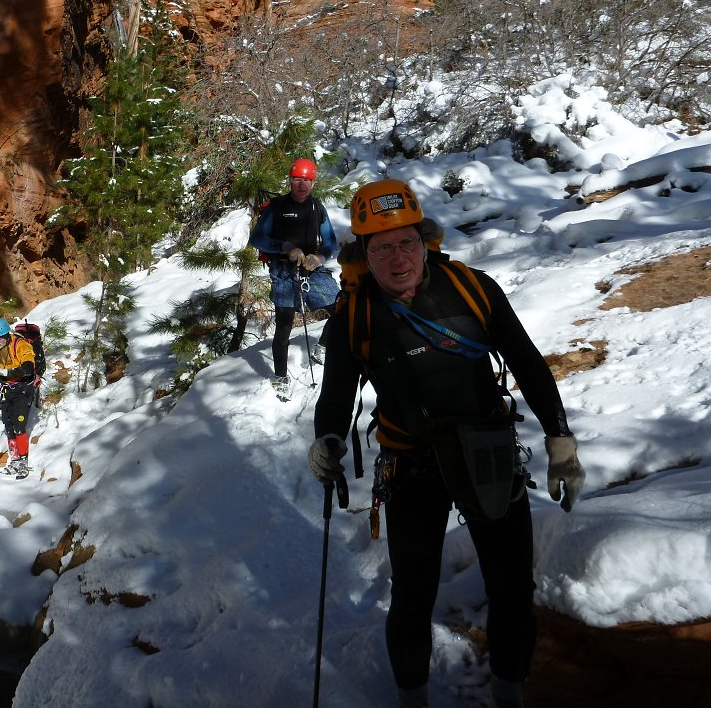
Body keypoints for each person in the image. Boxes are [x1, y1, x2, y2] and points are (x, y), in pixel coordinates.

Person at [306, 180, 585, 708]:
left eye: (406, 242)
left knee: (511, 589)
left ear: (425, 240)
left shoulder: (472, 288)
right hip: (411, 463)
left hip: (489, 452)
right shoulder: (355, 313)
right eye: (381, 247)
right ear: (362, 254)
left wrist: (559, 438)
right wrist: (327, 438)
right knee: (412, 595)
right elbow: (337, 391)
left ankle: (509, 693)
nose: (397, 257)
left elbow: (526, 361)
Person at [248, 158, 340, 395]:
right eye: (297, 179)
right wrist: (285, 247)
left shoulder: (316, 207)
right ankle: (280, 377)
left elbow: (330, 242)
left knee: (342, 307)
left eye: (307, 180)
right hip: (283, 270)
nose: (302, 185)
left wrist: (319, 258)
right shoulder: (277, 207)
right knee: (285, 323)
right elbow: (257, 239)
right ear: (290, 180)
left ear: (313, 182)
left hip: (309, 267)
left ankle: (323, 346)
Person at [0, 317, 39, 475]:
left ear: (6, 336)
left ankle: (23, 463)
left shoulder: (20, 345)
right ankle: (15, 460)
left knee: (19, 427)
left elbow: (27, 368)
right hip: (6, 390)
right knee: (8, 426)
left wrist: (5, 372)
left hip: (22, 389)